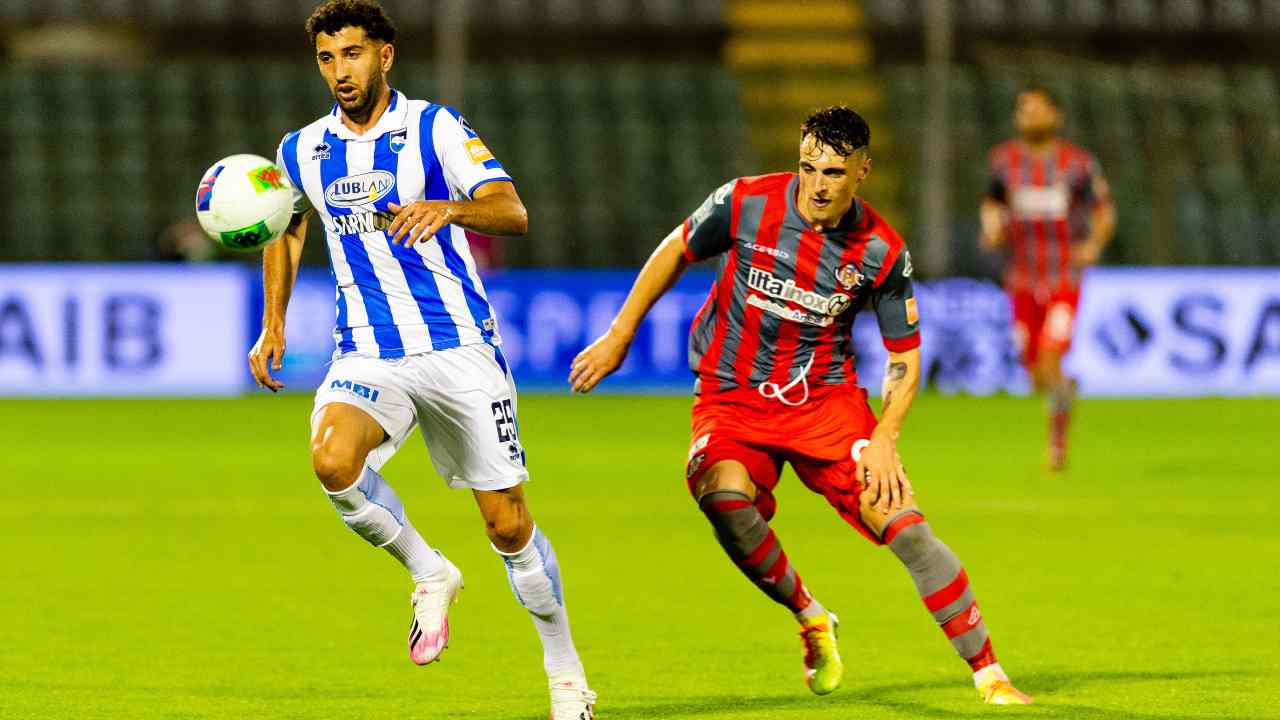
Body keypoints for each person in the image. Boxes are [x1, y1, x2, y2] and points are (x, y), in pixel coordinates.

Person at [570, 106, 1031, 705]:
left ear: (862, 171)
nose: (817, 184)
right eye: (808, 167)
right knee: (725, 498)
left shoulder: (882, 251)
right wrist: (620, 334)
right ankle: (811, 614)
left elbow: (904, 356)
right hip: (730, 395)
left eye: (834, 172)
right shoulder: (745, 202)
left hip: (825, 404)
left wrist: (886, 437)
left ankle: (990, 675)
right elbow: (676, 249)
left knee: (904, 525)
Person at [246, 2, 594, 717]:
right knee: (332, 462)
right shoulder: (302, 148)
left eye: (352, 54)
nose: (340, 71)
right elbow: (285, 227)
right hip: (368, 353)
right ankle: (429, 571)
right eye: (326, 58)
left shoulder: (433, 127)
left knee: (507, 525)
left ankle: (567, 678)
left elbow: (512, 209)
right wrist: (272, 322)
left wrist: (449, 208)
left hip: (458, 346)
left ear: (385, 56)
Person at [980, 86, 1115, 471]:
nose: (1030, 117)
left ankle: (1057, 446)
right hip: (1021, 277)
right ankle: (1063, 392)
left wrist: (1092, 245)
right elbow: (992, 203)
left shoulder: (1077, 164)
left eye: (1038, 110)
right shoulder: (1003, 161)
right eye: (1024, 110)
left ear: (1055, 115)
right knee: (1036, 373)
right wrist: (992, 227)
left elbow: (1103, 210)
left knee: (1052, 355)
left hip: (1062, 277)